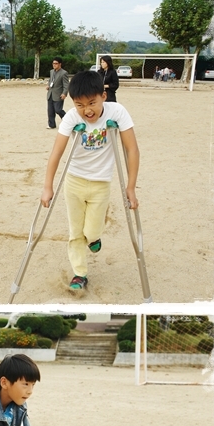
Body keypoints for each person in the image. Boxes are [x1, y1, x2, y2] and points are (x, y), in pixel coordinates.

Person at [40, 70, 140, 292]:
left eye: (92, 103)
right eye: (80, 105)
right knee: (76, 232)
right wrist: (48, 186)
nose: (87, 110)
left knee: (92, 231)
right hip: (74, 181)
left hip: (100, 184)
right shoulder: (72, 117)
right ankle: (79, 274)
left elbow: (132, 149)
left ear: (103, 96)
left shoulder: (118, 112)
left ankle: (94, 238)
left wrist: (130, 187)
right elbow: (56, 153)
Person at [46, 56, 69, 129]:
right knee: (50, 111)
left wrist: (64, 93)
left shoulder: (64, 73)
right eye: (53, 63)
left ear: (60, 64)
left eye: (56, 63)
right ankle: (51, 124)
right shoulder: (51, 71)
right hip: (50, 94)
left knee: (58, 110)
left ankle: (68, 120)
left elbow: (66, 84)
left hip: (59, 94)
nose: (54, 65)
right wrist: (48, 85)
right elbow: (50, 80)